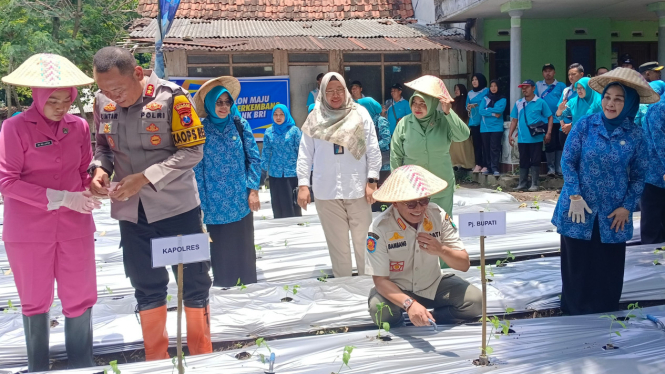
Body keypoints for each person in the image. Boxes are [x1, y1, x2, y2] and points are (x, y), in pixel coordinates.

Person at [89, 47, 212, 359]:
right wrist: (100, 169)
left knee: (193, 282)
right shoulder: (103, 103)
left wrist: (144, 178)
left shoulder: (173, 98)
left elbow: (192, 152)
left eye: (118, 88)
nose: (112, 96)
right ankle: (155, 361)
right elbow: (102, 145)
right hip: (132, 214)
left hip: (177, 210)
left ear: (138, 74)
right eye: (104, 90)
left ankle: (201, 356)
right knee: (145, 284)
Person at [0, 53, 100, 371]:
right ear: (38, 96)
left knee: (80, 294)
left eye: (66, 99)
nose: (61, 106)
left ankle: (82, 363)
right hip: (28, 230)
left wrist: (97, 182)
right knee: (34, 297)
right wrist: (61, 197)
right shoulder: (14, 129)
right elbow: (7, 181)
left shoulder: (79, 126)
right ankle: (38, 366)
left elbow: (86, 169)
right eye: (53, 100)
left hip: (75, 226)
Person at [552, 67, 655, 315]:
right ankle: (574, 316)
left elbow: (640, 175)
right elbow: (568, 161)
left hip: (613, 213)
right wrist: (575, 195)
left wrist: (627, 207)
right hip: (578, 209)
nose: (611, 104)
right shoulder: (586, 124)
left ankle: (604, 320)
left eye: (619, 99)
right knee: (576, 266)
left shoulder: (635, 135)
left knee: (607, 268)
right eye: (608, 97)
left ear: (628, 103)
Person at [366, 165, 482, 327]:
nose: (419, 208)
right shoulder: (380, 228)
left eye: (424, 201)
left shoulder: (438, 216)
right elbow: (380, 281)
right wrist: (409, 304)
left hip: (432, 285)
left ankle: (430, 317)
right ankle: (405, 318)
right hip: (398, 289)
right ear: (396, 203)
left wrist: (441, 250)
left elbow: (464, 264)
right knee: (381, 313)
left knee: (476, 302)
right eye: (411, 204)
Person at [296, 72, 382, 278]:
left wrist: (372, 180)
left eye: (339, 90)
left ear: (346, 91)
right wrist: (303, 185)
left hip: (358, 188)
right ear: (322, 93)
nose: (335, 95)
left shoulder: (360, 114)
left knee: (364, 242)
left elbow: (372, 148)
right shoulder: (315, 118)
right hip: (327, 190)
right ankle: (343, 290)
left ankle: (369, 288)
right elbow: (305, 153)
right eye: (329, 91)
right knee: (338, 245)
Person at [192, 76, 261, 286]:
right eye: (218, 102)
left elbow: (254, 158)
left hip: (240, 199)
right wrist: (200, 204)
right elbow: (197, 168)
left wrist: (253, 190)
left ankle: (248, 288)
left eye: (227, 102)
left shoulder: (239, 125)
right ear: (209, 105)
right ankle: (225, 285)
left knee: (244, 245)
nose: (223, 107)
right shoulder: (201, 130)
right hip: (213, 203)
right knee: (220, 249)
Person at [391, 75, 469, 216]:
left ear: (432, 103)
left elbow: (463, 135)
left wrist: (448, 112)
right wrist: (397, 186)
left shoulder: (444, 120)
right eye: (414, 103)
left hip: (442, 186)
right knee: (415, 230)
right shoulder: (404, 123)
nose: (417, 107)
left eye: (423, 103)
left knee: (443, 228)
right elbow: (395, 155)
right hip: (413, 189)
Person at [508, 80, 554, 192]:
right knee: (523, 160)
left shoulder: (540, 102)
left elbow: (550, 117)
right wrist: (510, 135)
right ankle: (522, 183)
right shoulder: (519, 103)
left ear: (533, 88)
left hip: (536, 138)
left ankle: (535, 183)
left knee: (535, 160)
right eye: (522, 87)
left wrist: (548, 133)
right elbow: (514, 120)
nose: (524, 89)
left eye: (527, 87)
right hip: (522, 138)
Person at [261, 104, 303, 218]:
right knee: (278, 204)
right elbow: (266, 152)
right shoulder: (269, 132)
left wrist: (305, 171)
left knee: (293, 204)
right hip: (275, 175)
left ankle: (294, 229)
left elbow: (301, 151)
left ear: (286, 115)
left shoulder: (294, 131)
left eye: (281, 114)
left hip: (292, 173)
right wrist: (262, 171)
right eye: (275, 114)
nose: (278, 117)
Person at [640, 82, 665, 244]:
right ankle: (650, 259)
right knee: (653, 220)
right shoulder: (660, 108)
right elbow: (660, 142)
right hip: (654, 174)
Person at [358, 97, 392, 212]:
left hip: (383, 161)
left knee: (382, 184)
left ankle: (384, 207)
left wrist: (372, 146)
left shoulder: (380, 120)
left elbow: (386, 139)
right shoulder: (363, 121)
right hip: (368, 160)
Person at [535, 64, 566, 176]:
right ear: (543, 73)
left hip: (560, 119)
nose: (548, 73)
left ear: (554, 73)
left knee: (559, 144)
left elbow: (565, 100)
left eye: (550, 71)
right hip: (545, 120)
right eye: (545, 71)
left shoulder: (561, 85)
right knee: (549, 144)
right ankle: (551, 168)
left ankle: (559, 168)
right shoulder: (538, 85)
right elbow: (536, 102)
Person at [479, 80, 507, 177]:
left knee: (495, 148)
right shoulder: (485, 98)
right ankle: (488, 167)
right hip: (485, 128)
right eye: (491, 86)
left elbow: (500, 110)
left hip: (496, 128)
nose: (493, 88)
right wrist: (493, 113)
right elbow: (481, 111)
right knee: (486, 148)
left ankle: (495, 168)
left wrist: (487, 110)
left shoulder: (502, 99)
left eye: (495, 86)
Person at [556, 64, 585, 148]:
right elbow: (560, 108)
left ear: (581, 74)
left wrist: (571, 125)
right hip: (564, 129)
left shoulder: (587, 92)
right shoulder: (566, 91)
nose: (570, 77)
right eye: (569, 74)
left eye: (573, 74)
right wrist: (563, 126)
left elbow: (586, 112)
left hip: (580, 128)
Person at [449, 84, 476, 170]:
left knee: (465, 145)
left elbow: (467, 115)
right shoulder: (453, 102)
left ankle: (467, 164)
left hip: (463, 125)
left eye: (458, 89)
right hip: (454, 126)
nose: (456, 91)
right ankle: (456, 164)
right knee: (455, 147)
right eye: (455, 89)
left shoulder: (465, 101)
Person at [466, 73, 489, 173]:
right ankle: (478, 164)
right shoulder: (470, 93)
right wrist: (468, 107)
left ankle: (486, 164)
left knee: (485, 144)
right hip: (473, 121)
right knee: (477, 144)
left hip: (484, 122)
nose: (474, 82)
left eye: (476, 79)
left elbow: (488, 103)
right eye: (473, 80)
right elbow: (466, 105)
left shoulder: (486, 91)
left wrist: (477, 105)